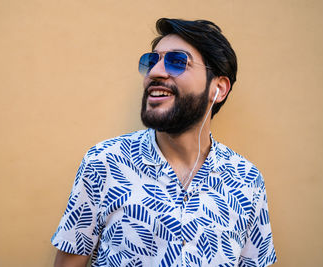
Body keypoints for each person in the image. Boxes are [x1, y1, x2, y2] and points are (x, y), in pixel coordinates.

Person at [51, 18, 277, 267]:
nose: (155, 72)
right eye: (151, 62)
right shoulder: (105, 162)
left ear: (218, 89)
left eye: (178, 62)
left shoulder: (247, 181)